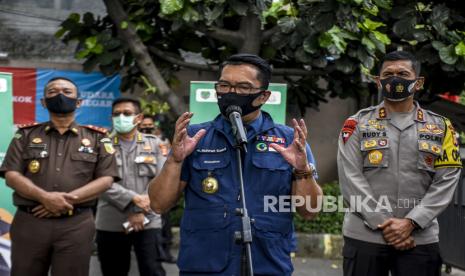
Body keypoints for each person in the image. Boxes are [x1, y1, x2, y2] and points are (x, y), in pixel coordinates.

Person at [148, 53, 323, 275]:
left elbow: (310, 211)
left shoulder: (289, 140)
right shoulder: (194, 137)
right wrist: (174, 160)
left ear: (263, 96)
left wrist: (301, 170)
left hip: (267, 263)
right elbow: (158, 204)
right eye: (224, 85)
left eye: (242, 87)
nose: (231, 93)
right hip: (204, 263)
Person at [337, 50, 462, 276]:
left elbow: (446, 181)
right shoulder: (356, 124)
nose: (395, 79)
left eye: (403, 74)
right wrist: (385, 224)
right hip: (365, 236)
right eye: (388, 74)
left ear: (418, 82)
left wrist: (412, 223)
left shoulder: (442, 127)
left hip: (419, 239)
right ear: (378, 81)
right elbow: (350, 178)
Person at [0, 77, 119, 276]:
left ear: (79, 102)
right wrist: (45, 198)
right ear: (44, 102)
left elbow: (106, 179)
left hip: (76, 224)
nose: (60, 95)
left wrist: (64, 201)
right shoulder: (25, 135)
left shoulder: (97, 138)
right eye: (53, 91)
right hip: (31, 222)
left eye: (67, 91)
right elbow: (11, 174)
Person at [95, 98, 166, 276]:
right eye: (116, 114)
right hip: (111, 222)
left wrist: (141, 211)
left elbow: (162, 179)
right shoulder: (101, 145)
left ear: (139, 118)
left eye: (127, 113)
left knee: (152, 270)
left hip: (148, 220)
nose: (121, 117)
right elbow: (99, 182)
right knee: (113, 271)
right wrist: (134, 200)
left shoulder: (155, 144)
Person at [139, 115, 176, 263]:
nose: (146, 127)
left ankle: (164, 252)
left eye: (149, 125)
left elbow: (166, 166)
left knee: (164, 225)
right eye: (144, 125)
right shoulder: (135, 141)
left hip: (158, 191)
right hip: (139, 193)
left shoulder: (161, 143)